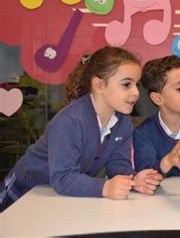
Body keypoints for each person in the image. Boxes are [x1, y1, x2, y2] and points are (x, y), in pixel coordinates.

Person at [0, 47, 161, 212]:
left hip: (59, 195)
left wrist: (134, 179)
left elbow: (118, 165)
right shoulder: (70, 121)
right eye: (126, 84)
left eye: (137, 84)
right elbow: (63, 178)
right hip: (26, 190)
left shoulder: (123, 123)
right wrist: (105, 187)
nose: (135, 92)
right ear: (99, 85)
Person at [133, 55, 180, 177]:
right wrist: (168, 161)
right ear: (157, 98)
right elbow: (144, 174)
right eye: (179, 88)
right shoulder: (143, 133)